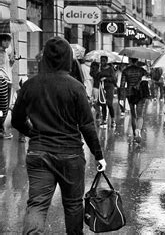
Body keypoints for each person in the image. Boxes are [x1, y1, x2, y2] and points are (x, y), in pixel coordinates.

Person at [11, 36, 106, 234]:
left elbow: (17, 120)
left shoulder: (30, 85)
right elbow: (87, 125)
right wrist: (99, 155)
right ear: (68, 59)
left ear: (44, 58)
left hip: (39, 153)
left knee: (37, 204)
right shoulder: (76, 87)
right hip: (71, 155)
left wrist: (34, 134)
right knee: (73, 205)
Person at [120, 58, 147, 143]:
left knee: (133, 114)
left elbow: (122, 84)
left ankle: (135, 134)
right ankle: (138, 130)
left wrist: (122, 97)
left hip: (130, 93)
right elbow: (148, 77)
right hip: (140, 93)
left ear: (129, 60)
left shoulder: (125, 71)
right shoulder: (141, 70)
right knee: (140, 115)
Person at [0, 34, 15, 140]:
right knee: (2, 107)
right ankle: (1, 130)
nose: (9, 44)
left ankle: (1, 129)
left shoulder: (4, 53)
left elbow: (6, 67)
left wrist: (11, 62)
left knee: (5, 107)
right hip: (2, 81)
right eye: (7, 41)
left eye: (9, 41)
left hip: (7, 80)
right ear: (2, 41)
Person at [97, 56, 116, 127]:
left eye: (104, 61)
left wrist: (106, 78)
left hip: (110, 87)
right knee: (103, 103)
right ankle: (104, 120)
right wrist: (98, 72)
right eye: (101, 61)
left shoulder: (111, 69)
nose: (102, 62)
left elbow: (114, 79)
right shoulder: (100, 68)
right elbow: (96, 77)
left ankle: (113, 120)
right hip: (102, 87)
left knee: (109, 104)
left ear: (107, 61)